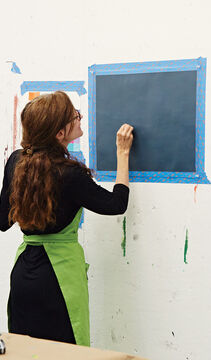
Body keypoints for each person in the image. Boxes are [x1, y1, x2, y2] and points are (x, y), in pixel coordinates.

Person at [0, 91, 133, 346]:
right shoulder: (69, 175)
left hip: (22, 276)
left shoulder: (16, 161)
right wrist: (123, 153)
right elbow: (116, 204)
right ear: (60, 134)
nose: (79, 118)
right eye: (75, 116)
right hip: (57, 280)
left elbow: (2, 222)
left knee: (25, 351)